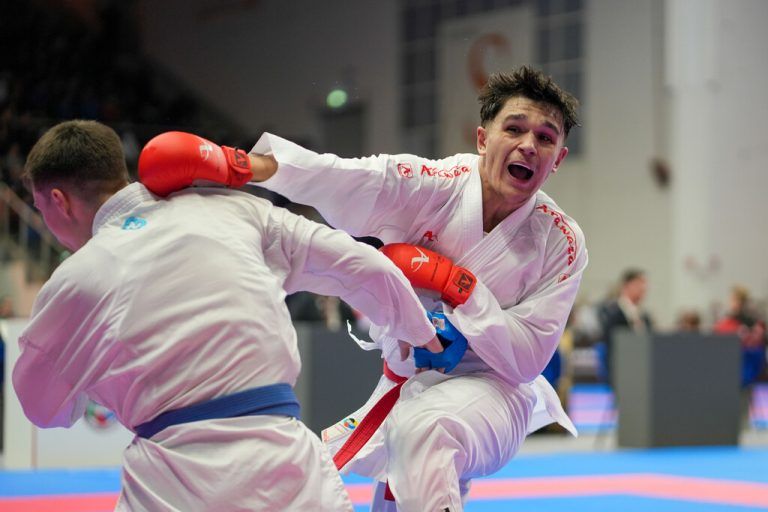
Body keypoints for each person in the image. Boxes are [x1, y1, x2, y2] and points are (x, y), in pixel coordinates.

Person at [139, 66, 588, 512]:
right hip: (408, 381)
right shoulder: (434, 184)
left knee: (425, 430)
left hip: (496, 391)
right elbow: (337, 176)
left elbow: (528, 358)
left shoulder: (562, 243)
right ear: (482, 139)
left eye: (545, 138)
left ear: (558, 159)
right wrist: (234, 164)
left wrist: (460, 288)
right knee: (392, 472)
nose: (529, 145)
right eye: (514, 128)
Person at [11, 120, 446, 511]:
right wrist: (422, 336)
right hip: (288, 467)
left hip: (172, 482)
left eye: (42, 210)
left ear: (58, 201)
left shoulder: (77, 280)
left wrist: (99, 380)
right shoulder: (234, 209)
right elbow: (362, 265)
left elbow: (44, 410)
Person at [597, 268, 653, 385]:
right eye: (639, 283)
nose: (644, 288)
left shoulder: (645, 317)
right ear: (626, 286)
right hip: (619, 372)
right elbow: (610, 344)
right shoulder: (611, 312)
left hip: (641, 373)